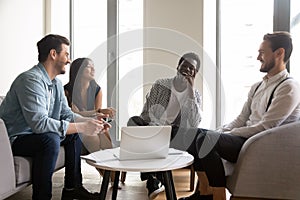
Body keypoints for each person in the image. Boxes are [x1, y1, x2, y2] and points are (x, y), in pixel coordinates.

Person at [178, 32, 300, 200]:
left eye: (262, 52)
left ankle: (217, 197)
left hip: (258, 144)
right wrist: (220, 131)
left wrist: (224, 135)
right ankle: (204, 193)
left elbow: (266, 127)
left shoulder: (288, 87)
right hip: (246, 138)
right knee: (196, 135)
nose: (258, 57)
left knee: (205, 139)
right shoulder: (257, 86)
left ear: (279, 53)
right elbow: (241, 119)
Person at [0, 34, 111, 200]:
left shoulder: (56, 84)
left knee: (72, 136)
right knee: (50, 139)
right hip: (16, 140)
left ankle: (73, 188)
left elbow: (66, 114)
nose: (68, 60)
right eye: (66, 54)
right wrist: (82, 126)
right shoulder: (30, 80)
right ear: (53, 54)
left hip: (36, 135)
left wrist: (91, 122)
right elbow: (40, 124)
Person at [127, 52, 202, 200]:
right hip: (153, 127)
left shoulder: (194, 94)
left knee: (168, 135)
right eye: (184, 65)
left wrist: (191, 91)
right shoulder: (161, 85)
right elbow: (146, 112)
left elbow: (194, 123)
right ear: (178, 66)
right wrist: (155, 128)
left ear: (195, 73)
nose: (187, 69)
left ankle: (153, 180)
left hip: (175, 133)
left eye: (191, 68)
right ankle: (154, 178)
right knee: (133, 121)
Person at [64, 57, 116, 153]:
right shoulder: (67, 91)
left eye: (93, 67)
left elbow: (97, 116)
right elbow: (72, 116)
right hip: (77, 126)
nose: (93, 70)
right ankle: (102, 166)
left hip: (93, 122)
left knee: (104, 134)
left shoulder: (96, 89)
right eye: (89, 67)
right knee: (93, 137)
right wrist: (97, 111)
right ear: (79, 70)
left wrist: (86, 113)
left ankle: (109, 167)